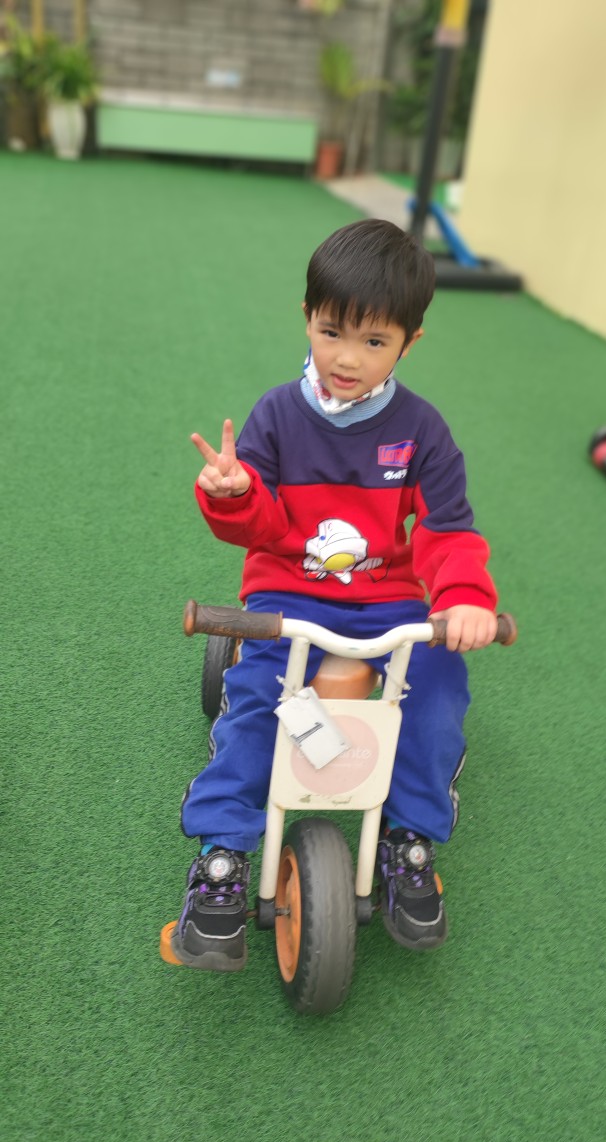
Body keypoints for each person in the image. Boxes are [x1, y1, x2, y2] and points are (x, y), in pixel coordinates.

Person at [167, 218, 498, 972]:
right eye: (332, 332)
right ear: (308, 319)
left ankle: (408, 840)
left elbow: (447, 529)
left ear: (410, 341)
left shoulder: (422, 431)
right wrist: (233, 492)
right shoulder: (277, 415)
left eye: (374, 341)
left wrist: (463, 599)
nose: (348, 358)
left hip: (389, 602)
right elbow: (263, 526)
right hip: (290, 593)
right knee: (258, 699)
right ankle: (222, 857)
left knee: (438, 685)